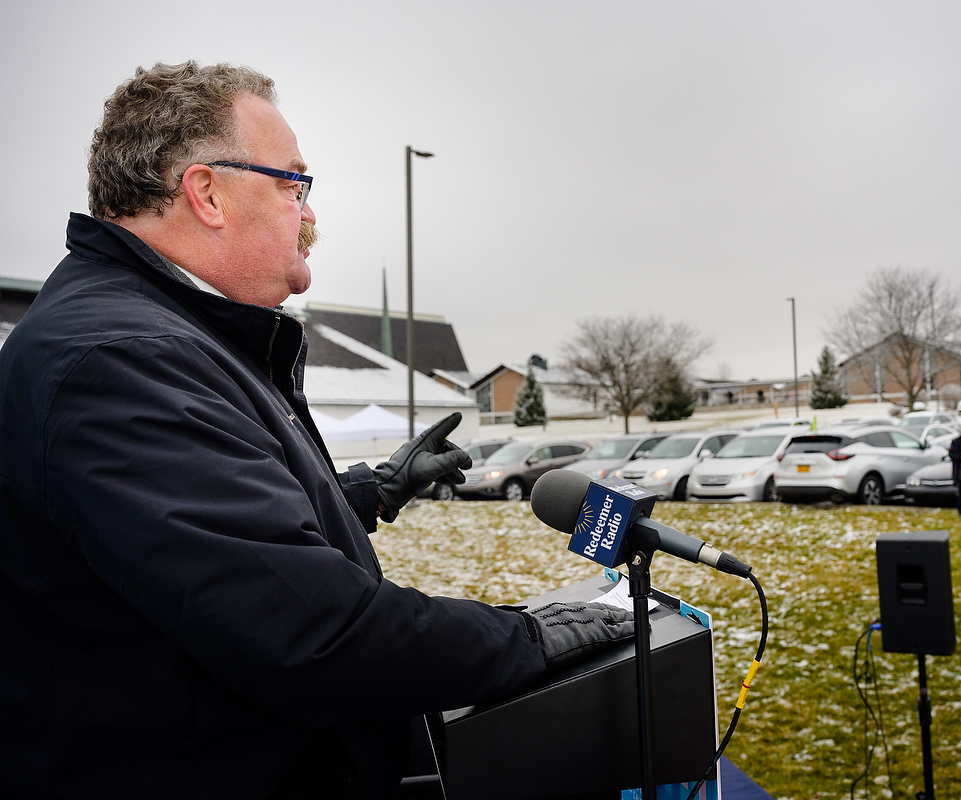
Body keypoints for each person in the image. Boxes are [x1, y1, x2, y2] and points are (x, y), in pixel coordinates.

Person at [0, 62, 632, 798]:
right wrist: (526, 637)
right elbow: (312, 633)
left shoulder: (162, 334)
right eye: (291, 183)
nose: (307, 213)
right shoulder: (119, 359)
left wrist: (370, 490)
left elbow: (214, 540)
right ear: (206, 193)